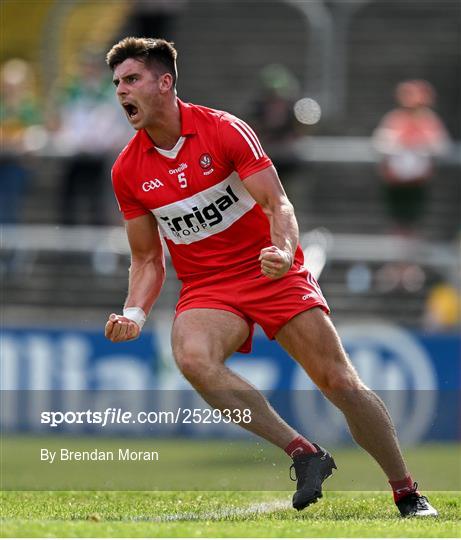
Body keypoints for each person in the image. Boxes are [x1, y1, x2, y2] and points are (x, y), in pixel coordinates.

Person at [104, 37, 437, 518]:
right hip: (209, 287)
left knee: (339, 382)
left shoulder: (223, 130)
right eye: (117, 83)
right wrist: (134, 312)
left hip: (271, 271)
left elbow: (277, 203)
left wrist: (282, 251)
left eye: (131, 79)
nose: (121, 92)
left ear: (165, 82)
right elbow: (147, 259)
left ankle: (406, 491)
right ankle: (304, 453)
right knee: (192, 357)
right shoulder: (127, 170)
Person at [372, 79, 451, 235]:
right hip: (395, 181)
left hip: (417, 181)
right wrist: (400, 141)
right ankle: (399, 257)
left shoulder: (429, 121)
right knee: (397, 221)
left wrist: (422, 141)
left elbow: (442, 146)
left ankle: (409, 257)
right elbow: (379, 143)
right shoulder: (394, 119)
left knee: (413, 221)